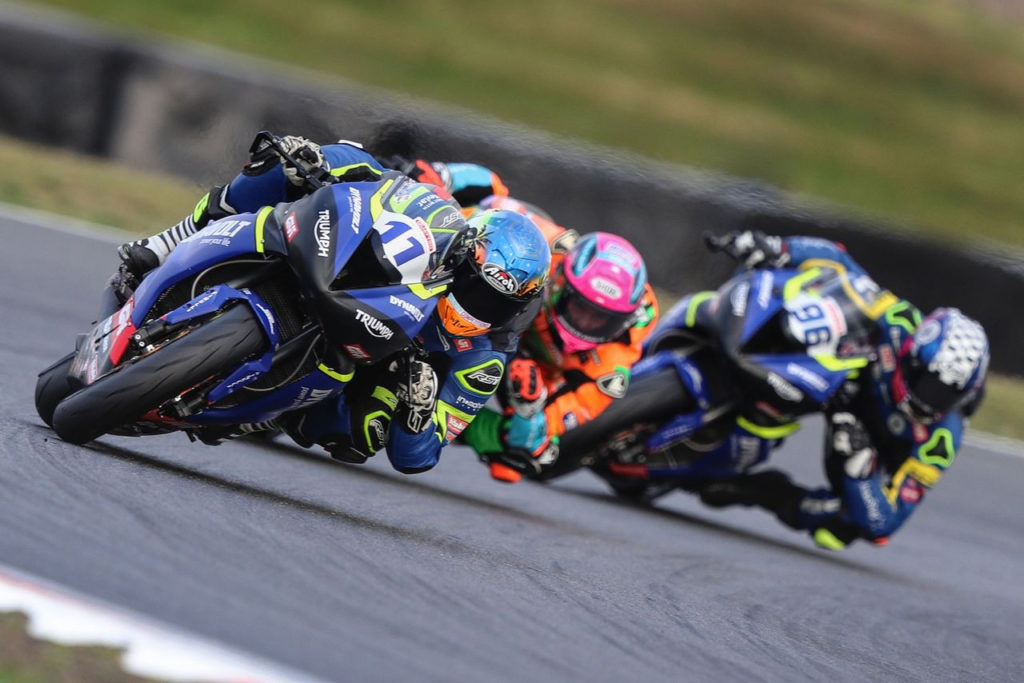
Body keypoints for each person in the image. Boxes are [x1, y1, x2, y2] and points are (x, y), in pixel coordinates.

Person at [115, 132, 551, 473]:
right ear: (463, 259)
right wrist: (316, 161)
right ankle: (168, 242)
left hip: (383, 358)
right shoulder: (446, 223)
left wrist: (418, 414)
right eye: (476, 290)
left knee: (366, 432)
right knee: (324, 159)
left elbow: (419, 456)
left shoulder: (487, 359)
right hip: (371, 277)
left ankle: (264, 416)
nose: (480, 311)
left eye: (496, 305)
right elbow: (394, 178)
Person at [689, 231, 990, 549]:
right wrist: (779, 248)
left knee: (839, 528)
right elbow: (841, 263)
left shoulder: (941, 439)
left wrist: (860, 472)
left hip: (863, 440)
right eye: (928, 383)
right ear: (913, 353)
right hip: (839, 378)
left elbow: (885, 523)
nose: (930, 400)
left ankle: (756, 490)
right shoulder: (900, 321)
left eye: (946, 394)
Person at [458, 196, 660, 483]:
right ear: (562, 283)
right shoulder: (553, 247)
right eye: (580, 308)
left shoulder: (612, 369)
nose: (585, 324)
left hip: (537, 372)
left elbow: (550, 423)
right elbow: (491, 206)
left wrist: (530, 407)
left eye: (600, 319)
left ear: (621, 323)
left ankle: (443, 420)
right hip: (503, 317)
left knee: (528, 454)